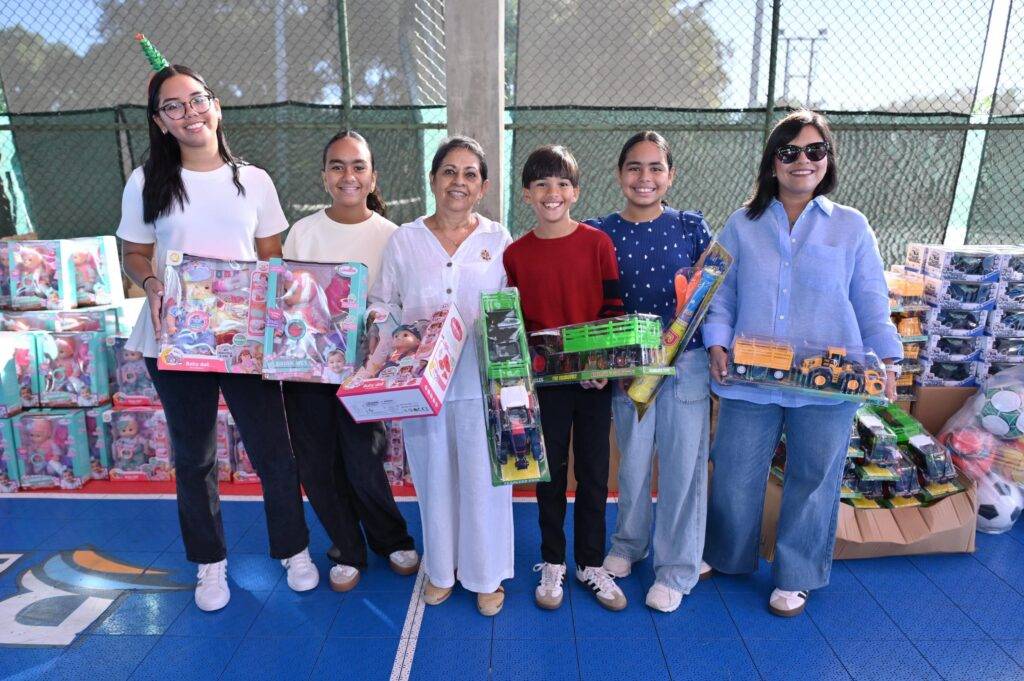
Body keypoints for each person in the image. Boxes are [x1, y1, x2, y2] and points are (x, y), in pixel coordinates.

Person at [117, 64, 318, 612]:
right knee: (195, 457)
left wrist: (287, 302)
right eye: (173, 107)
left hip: (245, 340)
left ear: (216, 104)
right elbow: (134, 254)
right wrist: (154, 283)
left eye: (197, 100)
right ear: (159, 122)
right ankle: (210, 565)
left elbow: (272, 256)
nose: (189, 113)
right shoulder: (145, 182)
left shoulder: (254, 180)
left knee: (273, 451)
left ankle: (293, 550)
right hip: (174, 341)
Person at [702, 109, 901, 617]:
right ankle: (727, 556)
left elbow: (870, 300)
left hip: (828, 382)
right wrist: (718, 342)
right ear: (772, 163)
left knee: (814, 479)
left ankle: (796, 575)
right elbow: (720, 292)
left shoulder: (852, 227)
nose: (802, 161)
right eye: (789, 152)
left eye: (814, 150)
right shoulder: (741, 223)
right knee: (733, 473)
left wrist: (890, 360)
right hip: (750, 378)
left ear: (827, 160)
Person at [372, 136, 513, 616]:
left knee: (484, 480)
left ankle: (487, 575)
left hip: (481, 383)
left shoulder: (498, 239)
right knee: (434, 478)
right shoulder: (404, 239)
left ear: (484, 186)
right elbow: (381, 303)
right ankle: (441, 571)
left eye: (470, 173)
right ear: (433, 180)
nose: (459, 182)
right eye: (449, 171)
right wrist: (397, 337)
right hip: (422, 387)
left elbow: (511, 309)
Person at [280, 131, 419, 593]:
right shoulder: (302, 233)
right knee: (317, 464)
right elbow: (286, 303)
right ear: (324, 176)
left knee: (364, 460)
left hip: (366, 374)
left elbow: (401, 306)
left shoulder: (393, 237)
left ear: (373, 176)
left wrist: (381, 329)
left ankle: (391, 539)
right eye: (337, 166)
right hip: (307, 373)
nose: (348, 175)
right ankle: (345, 548)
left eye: (358, 166)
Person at [585, 131, 713, 613]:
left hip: (686, 366)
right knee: (634, 463)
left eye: (656, 167)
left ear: (670, 176)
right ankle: (629, 544)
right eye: (635, 167)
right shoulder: (599, 232)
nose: (645, 177)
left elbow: (711, 294)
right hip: (629, 369)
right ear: (620, 175)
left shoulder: (692, 227)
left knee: (683, 469)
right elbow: (594, 305)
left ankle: (677, 570)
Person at [503, 145, 628, 612]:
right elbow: (515, 324)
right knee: (549, 474)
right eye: (541, 185)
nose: (551, 193)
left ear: (575, 192)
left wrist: (602, 369)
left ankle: (590, 563)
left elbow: (613, 310)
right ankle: (552, 560)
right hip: (544, 386)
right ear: (527, 195)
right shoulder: (515, 254)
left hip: (593, 384)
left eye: (561, 184)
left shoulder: (598, 243)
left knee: (594, 473)